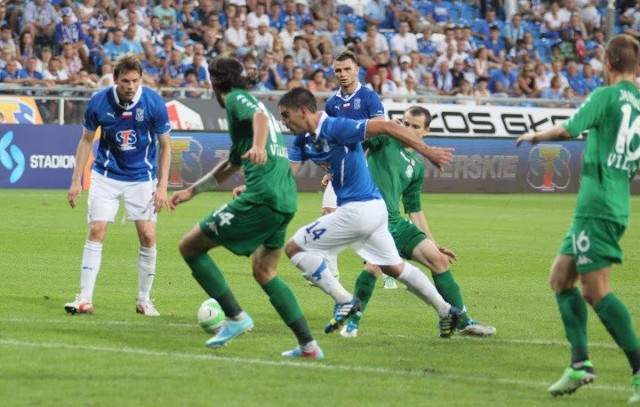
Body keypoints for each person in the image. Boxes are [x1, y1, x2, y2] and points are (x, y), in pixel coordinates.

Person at [168, 56, 323, 359]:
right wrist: (192, 191)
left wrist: (260, 146)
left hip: (262, 197)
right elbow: (232, 164)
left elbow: (261, 122)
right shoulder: (248, 106)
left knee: (190, 247)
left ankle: (236, 318)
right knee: (265, 270)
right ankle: (308, 345)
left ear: (213, 83)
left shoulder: (238, 99)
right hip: (285, 199)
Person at [515, 34, 640, 402]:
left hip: (598, 205)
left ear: (608, 63)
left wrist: (536, 136)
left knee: (595, 289)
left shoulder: (605, 96)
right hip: (611, 200)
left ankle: (638, 369)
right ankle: (580, 363)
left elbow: (569, 128)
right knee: (560, 278)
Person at [279, 87, 462, 338]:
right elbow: (286, 177)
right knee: (394, 268)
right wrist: (257, 187)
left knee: (293, 248)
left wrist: (428, 151)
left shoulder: (337, 127)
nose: (284, 122)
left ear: (302, 112)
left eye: (286, 115)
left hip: (358, 209)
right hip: (377, 211)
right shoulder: (302, 140)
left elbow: (387, 126)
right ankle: (445, 310)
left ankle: (344, 299)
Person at [340, 106, 497, 338]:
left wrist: (433, 243)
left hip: (394, 220)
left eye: (415, 126)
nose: (409, 129)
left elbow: (415, 211)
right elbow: (357, 143)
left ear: (426, 131)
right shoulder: (385, 139)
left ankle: (462, 320)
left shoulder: (418, 167)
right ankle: (352, 322)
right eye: (406, 123)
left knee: (440, 261)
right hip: (370, 218)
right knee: (374, 266)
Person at [65, 53, 172, 316]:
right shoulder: (99, 102)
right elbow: (86, 141)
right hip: (106, 175)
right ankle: (84, 298)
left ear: (141, 79)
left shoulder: (154, 103)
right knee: (96, 229)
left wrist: (162, 187)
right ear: (115, 80)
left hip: (142, 178)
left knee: (148, 236)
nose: (131, 86)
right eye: (125, 81)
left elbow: (167, 147)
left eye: (135, 81)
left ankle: (144, 299)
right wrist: (76, 179)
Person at [321, 50, 386, 284]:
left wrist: (353, 132)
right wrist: (329, 171)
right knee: (328, 212)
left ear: (357, 70)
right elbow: (328, 139)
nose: (343, 74)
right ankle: (330, 271)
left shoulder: (369, 97)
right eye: (338, 70)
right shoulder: (332, 103)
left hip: (366, 165)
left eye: (347, 69)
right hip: (340, 167)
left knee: (371, 223)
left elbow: (380, 124)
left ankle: (386, 261)